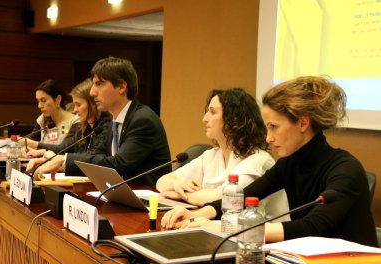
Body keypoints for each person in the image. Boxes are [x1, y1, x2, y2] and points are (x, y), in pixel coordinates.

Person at [161, 76, 378, 247]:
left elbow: (311, 226)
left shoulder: (346, 170)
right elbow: (245, 197)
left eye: (274, 127)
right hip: (304, 262)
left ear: (302, 123)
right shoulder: (289, 163)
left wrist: (224, 228)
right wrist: (196, 214)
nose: (268, 137)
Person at [27, 57, 171, 187]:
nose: (92, 92)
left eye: (99, 84)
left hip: (151, 203)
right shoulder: (114, 121)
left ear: (121, 87)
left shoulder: (142, 120)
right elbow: (96, 156)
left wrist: (63, 161)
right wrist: (55, 160)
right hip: (122, 196)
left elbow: (118, 164)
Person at [156, 88, 289, 223]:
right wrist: (177, 183)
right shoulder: (211, 155)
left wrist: (181, 194)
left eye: (212, 112)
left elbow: (228, 199)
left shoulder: (258, 160)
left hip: (267, 239)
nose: (204, 119)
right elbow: (161, 182)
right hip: (225, 228)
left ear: (234, 119)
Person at [25, 78, 111, 160]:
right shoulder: (84, 128)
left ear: (93, 104)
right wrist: (42, 152)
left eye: (78, 104)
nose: (75, 110)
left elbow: (90, 159)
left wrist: (61, 161)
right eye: (74, 105)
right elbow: (64, 149)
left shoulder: (105, 126)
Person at [21, 79, 80, 150]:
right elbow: (28, 141)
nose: (39, 106)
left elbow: (64, 149)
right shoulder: (42, 119)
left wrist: (36, 145)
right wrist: (24, 149)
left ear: (58, 99)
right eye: (38, 101)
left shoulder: (75, 121)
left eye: (43, 100)